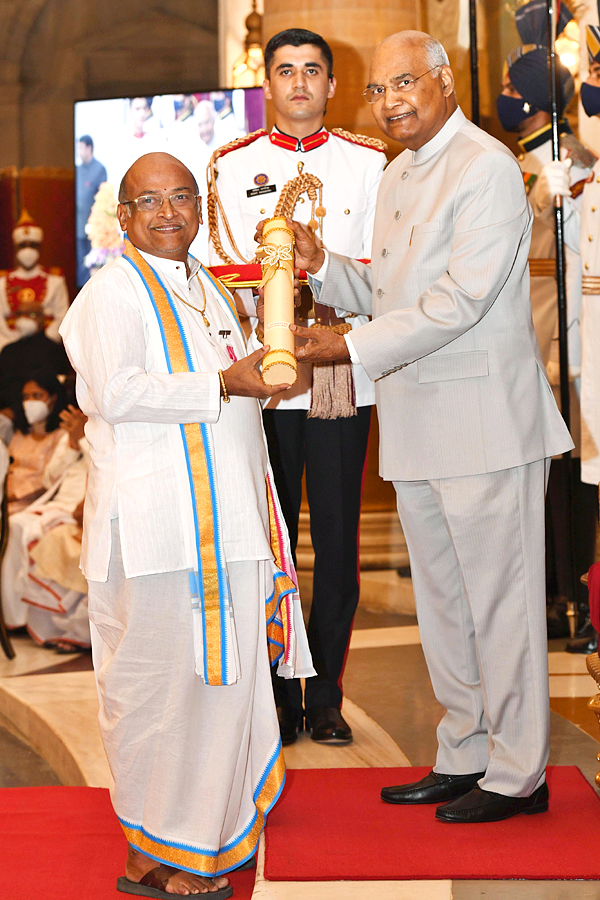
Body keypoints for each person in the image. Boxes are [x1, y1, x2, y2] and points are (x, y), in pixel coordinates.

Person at [283, 30, 573, 823]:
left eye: (405, 83)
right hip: (416, 421)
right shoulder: (398, 171)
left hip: (483, 423)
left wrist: (344, 344)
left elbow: (459, 300)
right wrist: (324, 266)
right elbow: (390, 288)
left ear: (444, 80)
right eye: (377, 91)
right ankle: (464, 753)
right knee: (445, 607)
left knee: (501, 606)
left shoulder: (482, 166)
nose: (390, 103)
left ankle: (518, 775)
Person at [60, 151, 313, 897]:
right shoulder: (111, 292)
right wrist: (222, 384)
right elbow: (115, 391)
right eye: (149, 201)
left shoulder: (206, 285)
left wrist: (264, 381)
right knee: (160, 694)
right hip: (160, 532)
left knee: (219, 689)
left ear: (200, 206)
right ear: (125, 216)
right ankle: (154, 853)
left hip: (226, 522)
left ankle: (195, 840)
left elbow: (241, 385)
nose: (168, 212)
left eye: (180, 197)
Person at [208, 27, 386, 746]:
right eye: (286, 71)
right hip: (267, 375)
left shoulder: (371, 162)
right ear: (269, 84)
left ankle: (329, 695)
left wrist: (326, 273)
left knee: (338, 542)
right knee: (273, 538)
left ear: (332, 84)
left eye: (313, 71)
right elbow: (221, 266)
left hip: (341, 370)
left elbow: (384, 261)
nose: (300, 83)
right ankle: (281, 692)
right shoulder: (230, 163)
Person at [496, 6, 599, 642]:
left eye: (514, 91)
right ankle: (555, 585)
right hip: (531, 336)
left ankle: (572, 590)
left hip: (556, 338)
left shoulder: (559, 166)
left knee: (571, 473)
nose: (507, 99)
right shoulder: (524, 161)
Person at [2, 404, 90, 649]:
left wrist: (82, 439)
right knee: (16, 525)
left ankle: (26, 616)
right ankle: (13, 617)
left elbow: (102, 467)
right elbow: (49, 478)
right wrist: (72, 443)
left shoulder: (104, 431)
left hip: (79, 506)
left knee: (28, 530)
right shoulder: (69, 434)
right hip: (56, 503)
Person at [0, 211, 70, 408]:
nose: (27, 250)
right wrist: (10, 345)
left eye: (32, 245)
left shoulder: (55, 279)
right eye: (23, 245)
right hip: (9, 349)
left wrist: (44, 343)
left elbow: (62, 317)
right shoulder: (2, 281)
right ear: (16, 248)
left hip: (45, 349)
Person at [5, 372, 69, 517]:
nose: (30, 402)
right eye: (26, 397)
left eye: (37, 396)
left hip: (30, 506)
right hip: (5, 500)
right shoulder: (21, 434)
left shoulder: (61, 436)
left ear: (53, 399)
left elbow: (50, 480)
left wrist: (13, 496)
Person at [76, 135, 108, 286]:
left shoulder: (99, 169)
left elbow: (103, 198)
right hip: (77, 225)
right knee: (80, 264)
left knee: (94, 264)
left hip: (94, 229)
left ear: (89, 148)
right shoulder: (77, 170)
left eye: (81, 148)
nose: (79, 152)